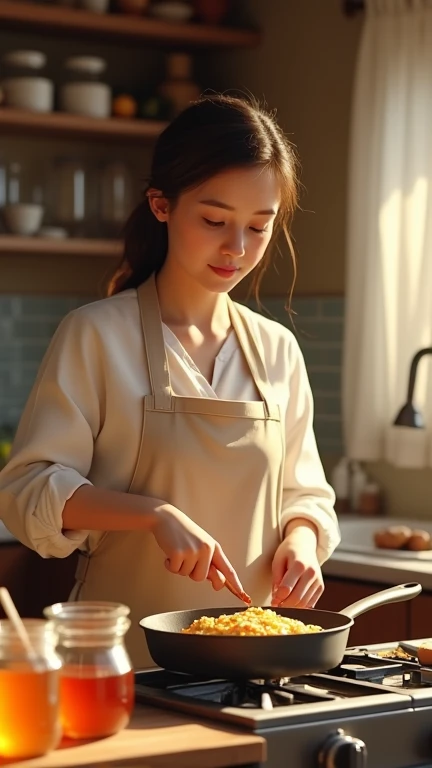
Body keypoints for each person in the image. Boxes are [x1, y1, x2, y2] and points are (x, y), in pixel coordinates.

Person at [0, 94, 340, 668]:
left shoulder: (278, 350)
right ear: (162, 204)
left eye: (259, 227)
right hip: (120, 662)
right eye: (214, 220)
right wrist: (151, 514)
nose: (236, 249)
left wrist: (302, 542)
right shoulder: (96, 335)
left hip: (252, 667)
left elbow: (304, 494)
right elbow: (27, 490)